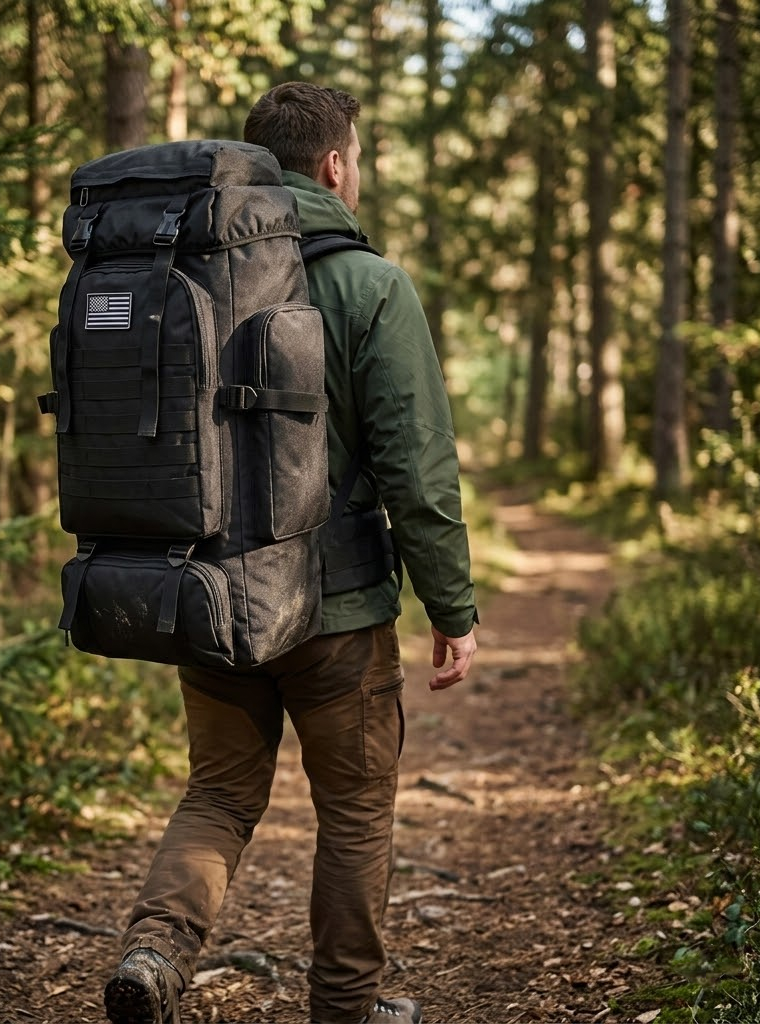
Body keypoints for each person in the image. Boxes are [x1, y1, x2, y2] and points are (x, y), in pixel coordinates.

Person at [102, 81, 479, 1024]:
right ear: (336, 165)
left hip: (209, 593)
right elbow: (416, 468)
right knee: (354, 809)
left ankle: (155, 953)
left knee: (220, 795)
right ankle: (346, 1009)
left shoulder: (188, 273)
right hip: (336, 613)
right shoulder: (369, 285)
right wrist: (452, 609)